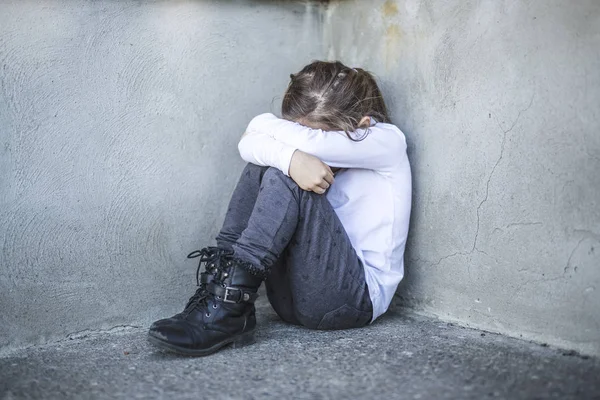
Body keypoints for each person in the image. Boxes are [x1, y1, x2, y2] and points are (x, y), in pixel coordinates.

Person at [148, 61, 412, 356]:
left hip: (352, 301)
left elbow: (261, 129)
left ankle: (227, 307)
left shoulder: (385, 141)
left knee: (285, 170)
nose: (306, 139)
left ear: (360, 123)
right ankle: (223, 295)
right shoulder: (348, 134)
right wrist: (291, 157)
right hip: (292, 298)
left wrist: (290, 158)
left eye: (320, 135)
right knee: (272, 164)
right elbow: (250, 141)